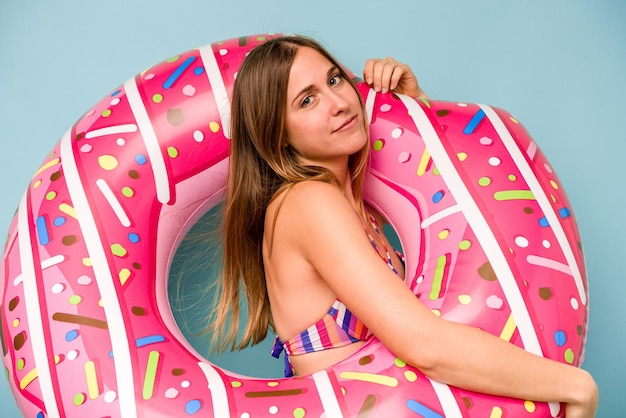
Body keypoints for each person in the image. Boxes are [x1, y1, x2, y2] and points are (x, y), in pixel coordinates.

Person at [210, 35, 598, 417]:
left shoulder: (355, 207)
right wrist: (573, 386)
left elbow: (461, 215)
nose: (339, 103)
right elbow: (422, 344)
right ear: (276, 133)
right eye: (307, 100)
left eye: (333, 80)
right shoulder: (307, 203)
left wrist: (413, 109)